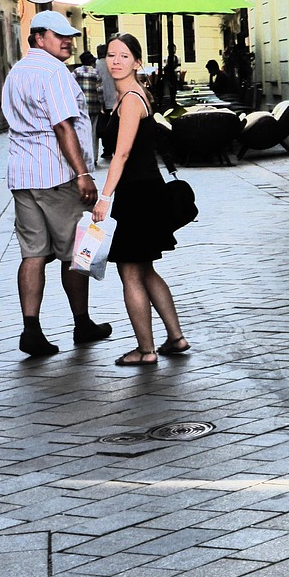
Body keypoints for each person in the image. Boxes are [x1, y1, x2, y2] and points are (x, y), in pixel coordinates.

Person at [0, 10, 112, 358]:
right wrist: (82, 174)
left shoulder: (16, 72)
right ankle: (82, 324)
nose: (68, 41)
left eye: (70, 36)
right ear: (38, 37)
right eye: (59, 35)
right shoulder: (54, 72)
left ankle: (30, 330)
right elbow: (63, 127)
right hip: (57, 175)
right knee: (75, 252)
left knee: (32, 254)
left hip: (22, 174)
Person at [93, 33, 190, 367]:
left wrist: (104, 197)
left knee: (130, 273)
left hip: (138, 194)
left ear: (136, 61)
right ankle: (175, 338)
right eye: (110, 55)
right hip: (142, 191)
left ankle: (146, 351)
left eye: (123, 56)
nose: (116, 61)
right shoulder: (127, 96)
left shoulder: (132, 99)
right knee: (145, 271)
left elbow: (121, 155)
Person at [71, 51, 103, 163]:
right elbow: (100, 91)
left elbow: (71, 89)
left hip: (79, 108)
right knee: (93, 133)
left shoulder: (76, 72)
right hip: (94, 107)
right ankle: (93, 158)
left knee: (81, 131)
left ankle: (82, 156)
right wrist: (102, 104)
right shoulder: (96, 73)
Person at [95, 44, 119, 160]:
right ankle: (115, 148)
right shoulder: (112, 63)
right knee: (115, 125)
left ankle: (107, 150)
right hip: (115, 99)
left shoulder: (96, 65)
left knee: (104, 126)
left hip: (102, 101)